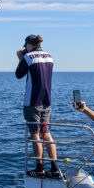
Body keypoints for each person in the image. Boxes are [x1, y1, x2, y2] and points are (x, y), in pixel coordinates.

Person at [15, 34, 60, 179]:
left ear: (29, 45)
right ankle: (55, 168)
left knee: (35, 134)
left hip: (32, 102)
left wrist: (21, 58)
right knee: (46, 134)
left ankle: (39, 168)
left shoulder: (29, 57)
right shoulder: (50, 56)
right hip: (47, 101)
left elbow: (18, 74)